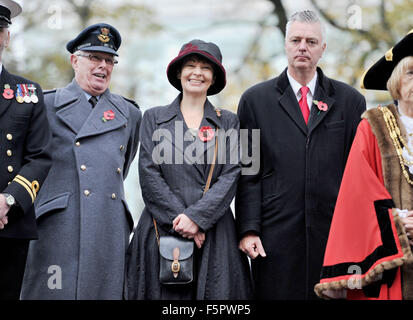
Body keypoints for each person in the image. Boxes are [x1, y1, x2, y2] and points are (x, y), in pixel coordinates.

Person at [235, 10, 366, 300]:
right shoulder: (255, 101)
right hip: (274, 238)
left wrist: (357, 232)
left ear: (323, 49)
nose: (302, 47)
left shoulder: (350, 102)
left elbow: (358, 176)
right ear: (285, 45)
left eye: (310, 41)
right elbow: (248, 171)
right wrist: (248, 229)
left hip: (334, 235)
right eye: (296, 40)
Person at [20, 23, 142, 300]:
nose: (103, 66)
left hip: (107, 225)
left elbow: (120, 166)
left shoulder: (130, 114)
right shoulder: (46, 105)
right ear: (75, 61)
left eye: (109, 60)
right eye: (94, 58)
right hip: (58, 227)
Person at [125, 39, 252, 300]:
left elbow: (231, 174)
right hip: (162, 229)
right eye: (191, 65)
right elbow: (149, 174)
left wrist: (197, 218)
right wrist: (181, 221)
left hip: (215, 233)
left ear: (214, 77)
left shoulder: (227, 121)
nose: (197, 72)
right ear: (179, 73)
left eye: (206, 67)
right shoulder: (154, 117)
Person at [315, 30, 413, 300]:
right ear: (395, 82)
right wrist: (397, 222)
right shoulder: (373, 127)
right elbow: (355, 196)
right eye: (411, 73)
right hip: (394, 263)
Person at [0, 0, 52, 300]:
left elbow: (40, 156)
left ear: (6, 36)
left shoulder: (28, 94)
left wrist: (7, 201)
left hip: (9, 225)